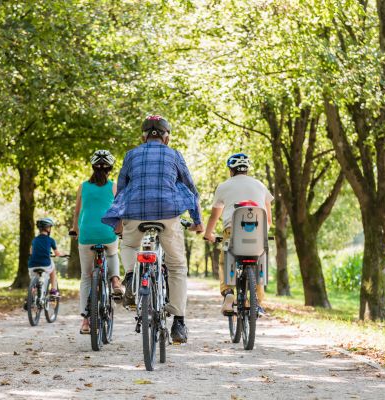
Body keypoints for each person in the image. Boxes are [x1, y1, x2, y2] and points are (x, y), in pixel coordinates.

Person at [102, 115, 203, 344]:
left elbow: (122, 190)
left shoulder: (131, 154)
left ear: (143, 136)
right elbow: (191, 189)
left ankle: (130, 277)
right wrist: (198, 221)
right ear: (166, 137)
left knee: (128, 244)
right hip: (168, 214)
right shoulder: (174, 154)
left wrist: (118, 217)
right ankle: (178, 322)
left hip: (135, 214)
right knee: (177, 266)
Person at [203, 153, 273, 315]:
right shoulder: (261, 185)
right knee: (259, 262)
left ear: (231, 170)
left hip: (232, 232)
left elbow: (215, 216)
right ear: (247, 170)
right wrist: (263, 235)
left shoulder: (223, 186)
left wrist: (208, 234)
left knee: (225, 260)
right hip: (258, 233)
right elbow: (268, 219)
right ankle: (256, 301)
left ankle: (228, 292)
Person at [70, 150, 123, 334]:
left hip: (86, 235)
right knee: (112, 251)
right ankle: (115, 281)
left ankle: (85, 321)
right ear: (110, 168)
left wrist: (75, 230)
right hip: (107, 232)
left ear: (93, 167)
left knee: (86, 277)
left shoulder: (83, 186)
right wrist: (120, 229)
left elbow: (77, 213)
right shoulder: (114, 186)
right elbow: (119, 212)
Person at [25, 217, 64, 307]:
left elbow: (31, 252)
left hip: (32, 265)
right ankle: (54, 290)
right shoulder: (50, 240)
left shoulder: (34, 240)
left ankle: (30, 298)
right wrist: (63, 254)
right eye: (50, 227)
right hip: (45, 264)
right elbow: (57, 253)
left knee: (34, 282)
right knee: (53, 270)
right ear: (47, 228)